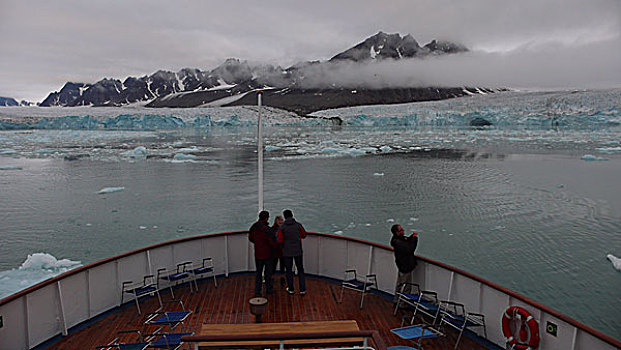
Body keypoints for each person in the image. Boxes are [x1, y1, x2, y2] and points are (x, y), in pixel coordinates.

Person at [277, 209, 307, 295]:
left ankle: (291, 289)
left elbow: (279, 240)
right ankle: (302, 289)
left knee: (289, 270)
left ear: (285, 217)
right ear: (292, 215)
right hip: (298, 251)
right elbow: (304, 235)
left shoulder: (282, 227)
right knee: (300, 270)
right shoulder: (298, 225)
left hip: (287, 252)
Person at [249, 210, 278, 296]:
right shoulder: (268, 230)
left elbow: (251, 238)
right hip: (268, 254)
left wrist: (258, 244)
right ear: (266, 218)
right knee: (268, 273)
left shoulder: (254, 227)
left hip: (258, 254)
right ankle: (269, 289)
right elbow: (272, 242)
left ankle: (257, 291)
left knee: (258, 273)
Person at [390, 224, 418, 303]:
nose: (403, 231)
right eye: (401, 230)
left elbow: (406, 241)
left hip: (402, 265)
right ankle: (403, 303)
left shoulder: (397, 240)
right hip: (405, 266)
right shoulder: (398, 242)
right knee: (406, 286)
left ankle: (396, 300)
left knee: (400, 284)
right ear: (397, 232)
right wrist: (415, 239)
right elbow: (409, 249)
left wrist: (411, 237)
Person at [271, 215, 286, 286]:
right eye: (279, 220)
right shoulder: (273, 229)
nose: (281, 222)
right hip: (275, 250)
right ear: (276, 221)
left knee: (283, 266)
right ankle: (271, 278)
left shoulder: (284, 229)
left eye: (281, 220)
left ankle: (282, 278)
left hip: (282, 250)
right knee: (273, 265)